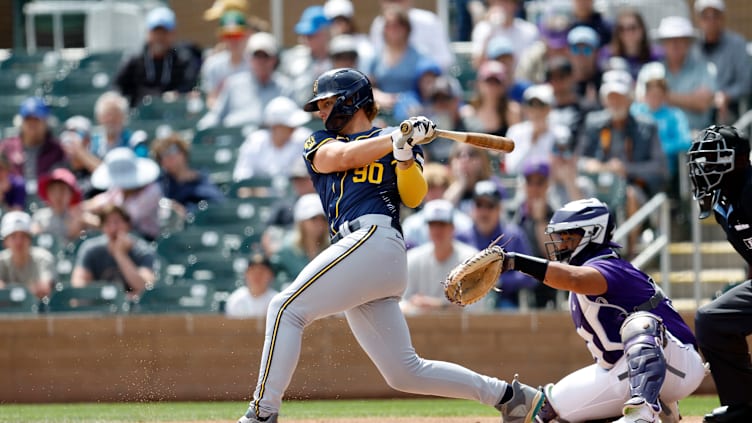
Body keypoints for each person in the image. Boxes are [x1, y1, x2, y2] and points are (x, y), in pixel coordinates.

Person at [236, 68, 544, 423]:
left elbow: (414, 196)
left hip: (375, 240)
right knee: (405, 372)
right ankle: (510, 397)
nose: (321, 112)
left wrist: (403, 152)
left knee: (284, 308)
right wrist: (399, 137)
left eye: (326, 103)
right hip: (361, 253)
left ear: (351, 100)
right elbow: (342, 159)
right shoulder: (320, 141)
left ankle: (262, 414)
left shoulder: (397, 140)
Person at [504, 198, 705, 423]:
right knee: (549, 408)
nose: (561, 244)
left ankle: (643, 413)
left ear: (593, 234)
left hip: (680, 365)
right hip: (627, 369)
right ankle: (659, 409)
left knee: (641, 323)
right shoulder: (586, 273)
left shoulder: (609, 266)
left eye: (569, 237)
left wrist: (514, 262)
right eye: (561, 237)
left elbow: (573, 279)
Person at [689, 125, 752, 423]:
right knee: (713, 319)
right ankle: (743, 407)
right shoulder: (723, 205)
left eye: (712, 161)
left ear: (738, 161)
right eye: (701, 162)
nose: (703, 169)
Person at [456, 180, 537, 309]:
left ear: (499, 208)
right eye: (479, 205)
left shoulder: (513, 235)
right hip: (466, 304)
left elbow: (530, 275)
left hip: (505, 302)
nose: (484, 211)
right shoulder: (461, 237)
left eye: (490, 205)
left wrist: (496, 281)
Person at [198, 32, 292, 130]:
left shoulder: (285, 88)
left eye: (265, 56)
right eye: (257, 56)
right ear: (249, 59)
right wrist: (201, 130)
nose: (261, 62)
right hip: (234, 141)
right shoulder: (233, 84)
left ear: (274, 59)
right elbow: (215, 116)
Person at [401, 199, 480, 314]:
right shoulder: (413, 258)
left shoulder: (470, 259)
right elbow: (402, 303)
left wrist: (438, 305)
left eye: (442, 224)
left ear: (452, 227)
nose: (437, 230)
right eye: (432, 225)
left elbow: (476, 306)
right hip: (421, 328)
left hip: (459, 329)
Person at [114, 6, 199, 107]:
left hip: (172, 114)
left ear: (173, 34)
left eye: (164, 33)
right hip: (139, 116)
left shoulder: (182, 60)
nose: (160, 37)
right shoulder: (135, 60)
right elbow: (117, 87)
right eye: (156, 32)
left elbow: (189, 87)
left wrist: (178, 95)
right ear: (148, 33)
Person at [71, 205, 156, 297]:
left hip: (134, 310)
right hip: (100, 307)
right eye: (107, 223)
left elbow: (146, 287)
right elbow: (79, 287)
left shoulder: (142, 250)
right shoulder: (90, 249)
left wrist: (120, 254)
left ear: (127, 224)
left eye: (117, 222)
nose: (113, 228)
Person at [631, 62, 692, 191]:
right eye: (652, 95)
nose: (655, 99)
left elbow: (685, 141)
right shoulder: (635, 112)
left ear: (664, 95)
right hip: (635, 166)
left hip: (662, 170)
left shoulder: (674, 115)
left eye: (658, 95)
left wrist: (658, 150)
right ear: (646, 94)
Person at [85, 147, 164, 241]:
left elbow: (126, 220)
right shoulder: (119, 189)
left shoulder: (152, 191)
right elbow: (101, 201)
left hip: (146, 240)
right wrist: (80, 210)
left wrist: (86, 219)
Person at [694, 0, 751, 125]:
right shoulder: (693, 46)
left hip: (730, 110)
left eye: (715, 15)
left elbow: (746, 82)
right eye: (705, 16)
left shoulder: (737, 44)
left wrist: (727, 95)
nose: (711, 20)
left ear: (723, 18)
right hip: (696, 107)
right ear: (699, 19)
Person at [656, 16, 717, 132]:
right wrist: (690, 100)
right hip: (660, 139)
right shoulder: (654, 69)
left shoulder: (703, 68)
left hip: (696, 137)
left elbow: (703, 103)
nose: (675, 44)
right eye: (670, 40)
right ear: (663, 44)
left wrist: (663, 96)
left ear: (688, 43)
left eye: (680, 40)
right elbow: (644, 103)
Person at [233, 96, 313, 181]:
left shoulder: (304, 139)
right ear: (274, 126)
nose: (293, 129)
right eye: (288, 125)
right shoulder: (255, 141)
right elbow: (241, 177)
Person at [402, 162, 473, 249]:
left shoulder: (464, 222)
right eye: (430, 187)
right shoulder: (411, 225)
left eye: (441, 186)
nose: (436, 192)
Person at [369, 0, 454, 71]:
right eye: (389, 27)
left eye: (398, 26)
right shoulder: (378, 24)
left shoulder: (430, 21)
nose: (393, 31)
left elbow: (445, 60)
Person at [503, 84, 570, 174]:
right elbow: (512, 169)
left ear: (550, 108)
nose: (536, 110)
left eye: (541, 105)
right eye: (531, 105)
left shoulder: (561, 134)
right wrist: (532, 141)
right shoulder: (515, 132)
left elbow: (561, 170)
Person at [151, 135, 225, 215]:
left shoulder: (200, 179)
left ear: (183, 153)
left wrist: (187, 211)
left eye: (172, 150)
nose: (169, 156)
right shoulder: (160, 185)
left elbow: (217, 204)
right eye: (163, 154)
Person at [269, 193, 329, 288]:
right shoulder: (285, 249)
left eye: (323, 219)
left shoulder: (333, 246)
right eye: (313, 218)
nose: (319, 223)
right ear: (301, 222)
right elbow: (273, 278)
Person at [0, 97, 67, 182]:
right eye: (28, 119)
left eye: (36, 119)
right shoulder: (7, 147)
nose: (32, 124)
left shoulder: (58, 150)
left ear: (46, 122)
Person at [200, 11, 252, 109]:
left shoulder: (255, 62)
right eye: (228, 36)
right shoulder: (212, 64)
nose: (233, 40)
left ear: (246, 35)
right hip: (222, 116)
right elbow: (211, 98)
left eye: (237, 35)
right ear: (222, 38)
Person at [0, 211, 56, 300]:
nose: (19, 242)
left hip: (38, 312)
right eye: (13, 236)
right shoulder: (1, 260)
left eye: (23, 236)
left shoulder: (43, 258)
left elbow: (45, 289)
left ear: (30, 239)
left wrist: (8, 291)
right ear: (5, 241)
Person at [470, 0, 539, 67]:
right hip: (494, 78)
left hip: (523, 77)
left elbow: (534, 66)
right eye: (496, 2)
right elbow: (478, 64)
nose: (501, 6)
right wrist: (491, 28)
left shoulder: (530, 30)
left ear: (516, 5)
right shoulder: (483, 29)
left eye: (506, 2)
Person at [598, 8, 661, 80]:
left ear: (642, 29)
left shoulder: (656, 55)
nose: (627, 33)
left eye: (632, 28)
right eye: (622, 29)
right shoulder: (607, 55)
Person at [31, 168, 89, 244]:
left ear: (71, 194)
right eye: (54, 190)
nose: (58, 196)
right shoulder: (39, 217)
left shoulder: (80, 217)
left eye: (62, 190)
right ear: (47, 193)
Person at [89, 91, 147, 160]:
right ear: (99, 118)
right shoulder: (92, 143)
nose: (111, 119)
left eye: (116, 115)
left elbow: (142, 162)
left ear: (124, 117)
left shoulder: (134, 141)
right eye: (107, 115)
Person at [225, 252, 279, 319]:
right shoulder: (235, 299)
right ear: (246, 274)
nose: (257, 276)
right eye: (253, 271)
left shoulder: (277, 301)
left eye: (261, 272)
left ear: (271, 275)